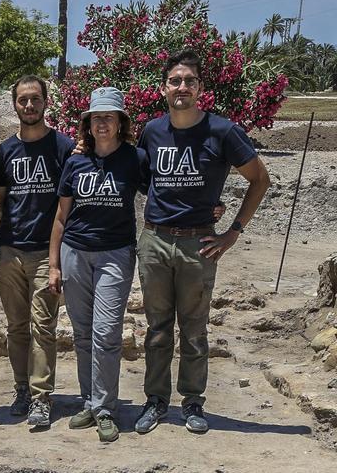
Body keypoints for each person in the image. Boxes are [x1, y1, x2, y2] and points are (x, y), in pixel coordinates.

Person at [133, 49, 271, 434]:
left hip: (199, 246)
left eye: (189, 81)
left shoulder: (222, 131)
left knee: (194, 329)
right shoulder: (152, 131)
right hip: (156, 241)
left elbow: (260, 180)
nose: (182, 87)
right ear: (163, 88)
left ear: (200, 89)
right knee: (157, 328)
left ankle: (192, 403)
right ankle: (156, 401)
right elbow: (144, 180)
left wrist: (233, 232)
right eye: (175, 81)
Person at [48, 87, 146, 442]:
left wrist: (209, 206)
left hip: (115, 254)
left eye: (109, 117)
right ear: (87, 124)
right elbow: (60, 218)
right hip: (75, 253)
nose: (102, 124)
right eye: (96, 118)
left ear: (121, 123)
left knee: (106, 333)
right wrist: (54, 264)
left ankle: (106, 408)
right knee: (83, 333)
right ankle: (90, 401)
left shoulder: (135, 159)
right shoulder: (75, 162)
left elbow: (163, 191)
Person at [0, 75, 75, 428]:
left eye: (35, 99)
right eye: (22, 100)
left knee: (44, 325)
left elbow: (70, 199)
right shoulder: (4, 151)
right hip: (10, 250)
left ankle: (42, 397)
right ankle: (21, 389)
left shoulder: (63, 146)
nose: (29, 106)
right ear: (14, 104)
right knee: (16, 326)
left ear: (46, 102)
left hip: (46, 253)